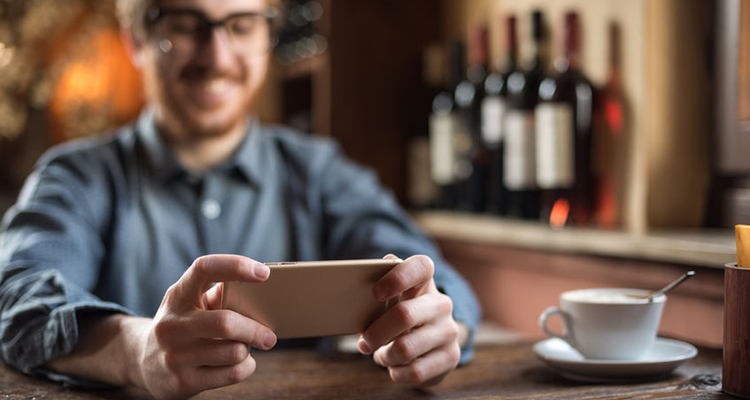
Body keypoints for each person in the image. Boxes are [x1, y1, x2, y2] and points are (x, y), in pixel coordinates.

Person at [0, 0, 481, 398]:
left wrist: (436, 327)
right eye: (186, 26)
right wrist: (136, 349)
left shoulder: (319, 170)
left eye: (242, 24)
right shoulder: (74, 176)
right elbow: (19, 300)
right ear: (137, 40)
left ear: (266, 37)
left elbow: (437, 284)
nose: (218, 56)